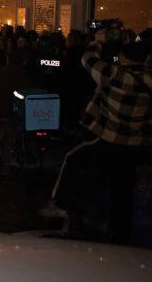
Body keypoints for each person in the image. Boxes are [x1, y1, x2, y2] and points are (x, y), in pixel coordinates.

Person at [47, 37, 151, 243]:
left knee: (73, 159)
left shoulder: (113, 76)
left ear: (122, 57)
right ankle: (120, 235)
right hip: (137, 145)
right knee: (123, 191)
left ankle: (62, 205)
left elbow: (87, 58)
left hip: (110, 140)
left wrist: (99, 41)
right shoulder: (148, 81)